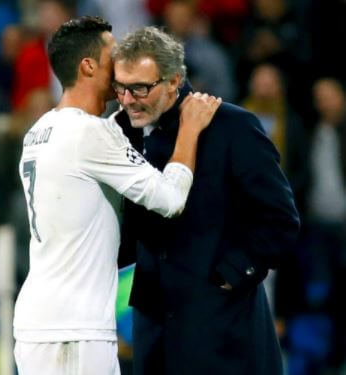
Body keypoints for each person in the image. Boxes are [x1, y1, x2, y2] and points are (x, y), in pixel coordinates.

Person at [12, 16, 221, 375]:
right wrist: (190, 127)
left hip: (40, 322)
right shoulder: (90, 134)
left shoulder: (40, 129)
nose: (123, 59)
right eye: (113, 53)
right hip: (74, 331)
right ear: (89, 65)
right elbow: (170, 199)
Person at [114, 26, 300, 375]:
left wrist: (228, 278)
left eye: (139, 87)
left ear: (174, 81)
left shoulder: (233, 126)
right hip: (155, 334)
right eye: (120, 87)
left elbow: (280, 221)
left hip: (224, 331)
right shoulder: (121, 132)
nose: (126, 98)